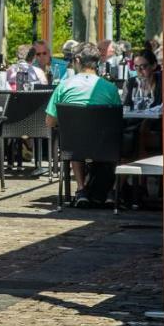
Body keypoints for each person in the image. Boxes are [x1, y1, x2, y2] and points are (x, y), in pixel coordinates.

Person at [45, 42, 123, 208]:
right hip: (105, 145)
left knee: (74, 137)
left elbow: (49, 122)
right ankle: (111, 190)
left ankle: (81, 189)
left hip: (75, 146)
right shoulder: (110, 88)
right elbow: (118, 118)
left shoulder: (64, 86)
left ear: (78, 60)